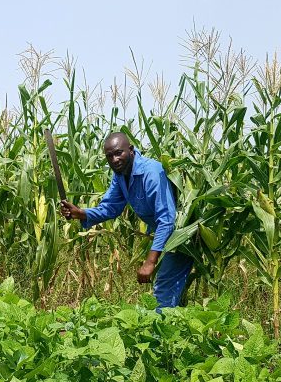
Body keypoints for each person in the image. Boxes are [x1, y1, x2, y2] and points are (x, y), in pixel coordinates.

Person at [60, 132, 192, 310]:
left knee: (163, 287)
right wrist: (80, 213)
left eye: (118, 153)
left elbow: (167, 220)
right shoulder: (121, 175)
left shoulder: (151, 173)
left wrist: (150, 262)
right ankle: (175, 328)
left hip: (182, 235)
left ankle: (160, 334)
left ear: (130, 150)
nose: (114, 160)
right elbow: (110, 207)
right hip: (169, 238)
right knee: (170, 289)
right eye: (109, 156)